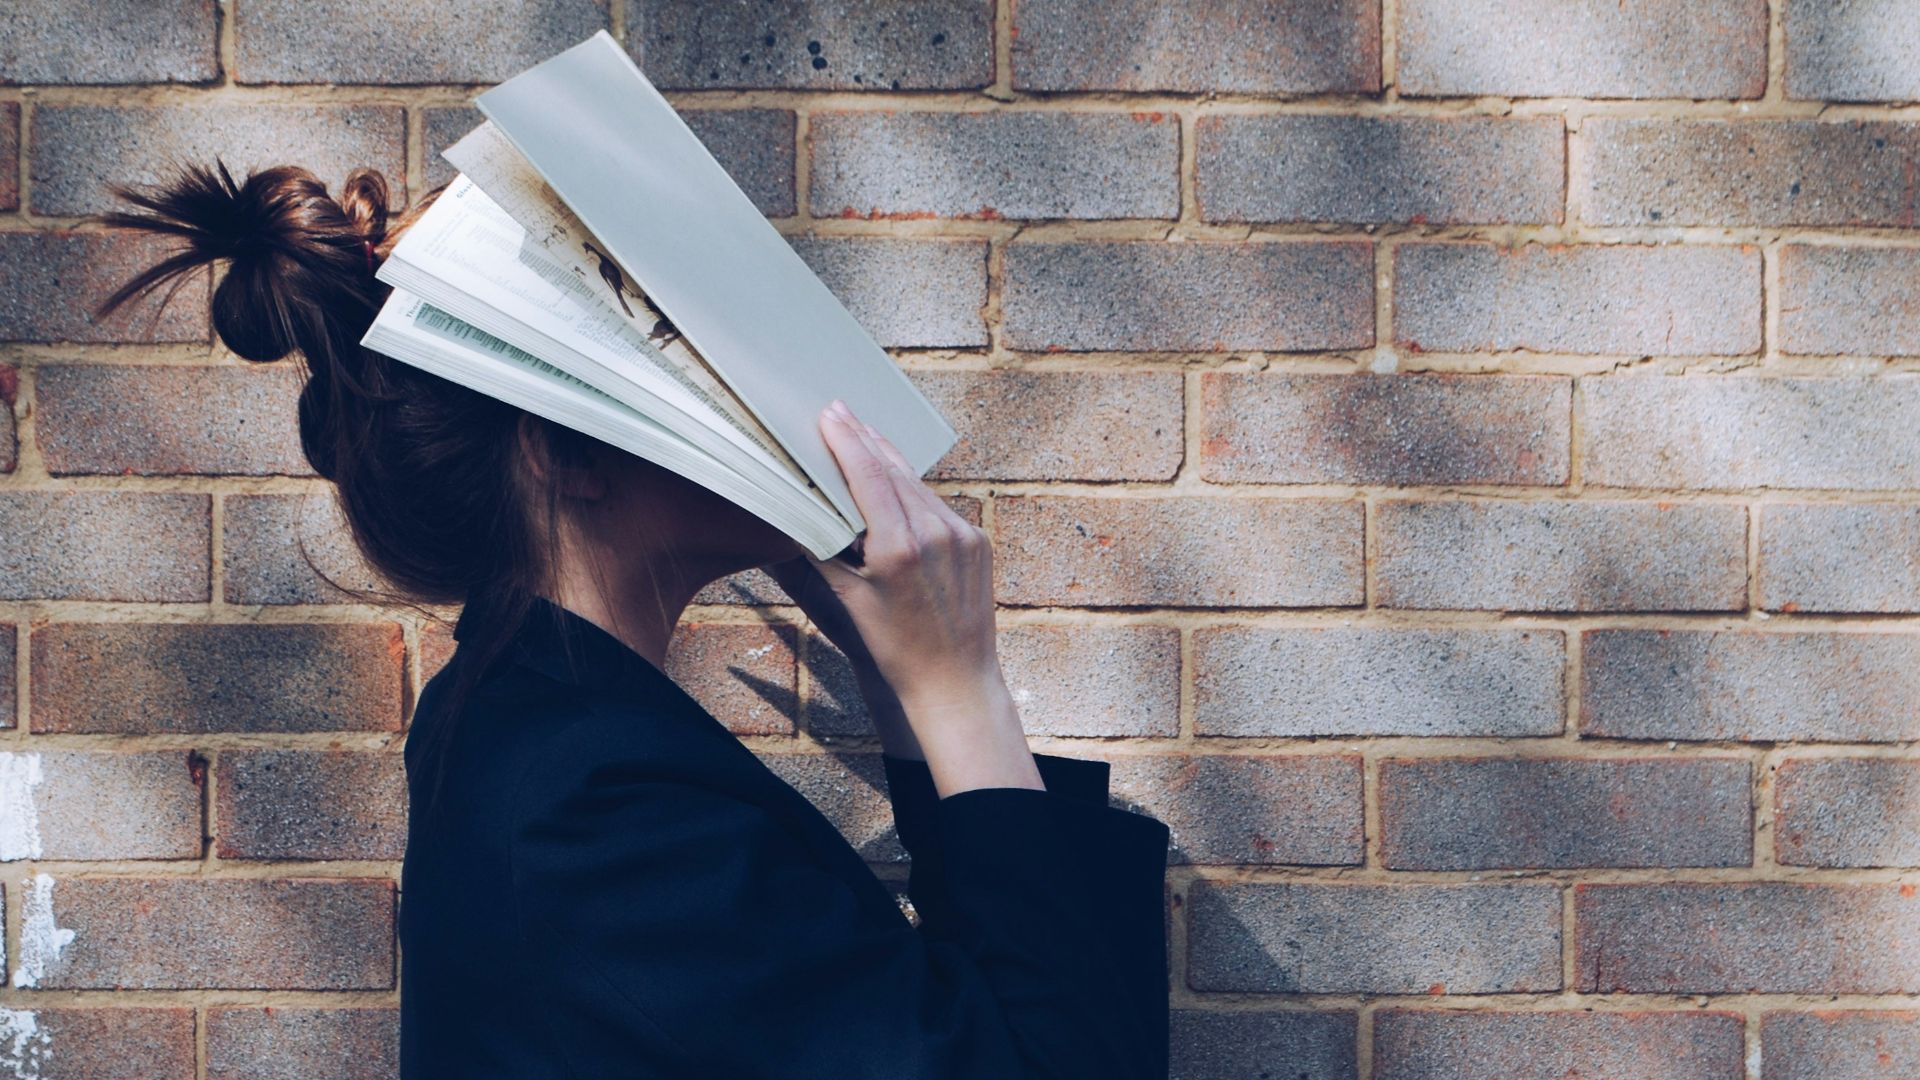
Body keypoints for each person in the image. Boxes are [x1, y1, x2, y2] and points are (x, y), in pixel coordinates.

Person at [94, 159, 1174, 1078]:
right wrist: (961, 687)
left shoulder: (539, 733)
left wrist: (902, 679)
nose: (754, 388)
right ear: (565, 451)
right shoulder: (593, 812)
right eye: (684, 357)